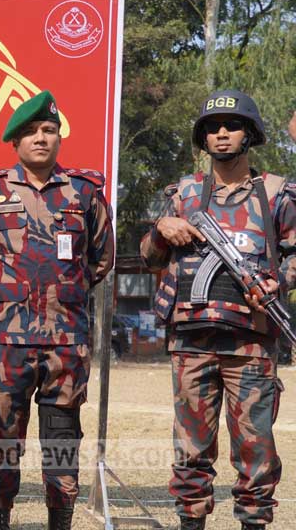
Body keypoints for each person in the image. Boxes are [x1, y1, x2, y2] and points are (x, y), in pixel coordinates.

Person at [0, 90, 114, 530]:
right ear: (15, 142)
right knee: (3, 436)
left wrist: (61, 296)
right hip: (7, 341)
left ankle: (59, 521)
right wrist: (12, 295)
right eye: (31, 133)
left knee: (62, 438)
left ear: (59, 137)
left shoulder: (84, 193)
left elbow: (101, 259)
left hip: (66, 341)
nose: (41, 139)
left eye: (48, 130)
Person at [140, 90, 294, 530]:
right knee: (190, 449)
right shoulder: (183, 193)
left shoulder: (276, 194)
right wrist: (161, 228)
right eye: (212, 127)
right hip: (191, 340)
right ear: (202, 138)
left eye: (231, 125)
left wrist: (277, 280)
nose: (221, 134)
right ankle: (191, 522)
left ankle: (253, 523)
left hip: (250, 342)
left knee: (255, 449)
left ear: (251, 134)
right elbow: (150, 259)